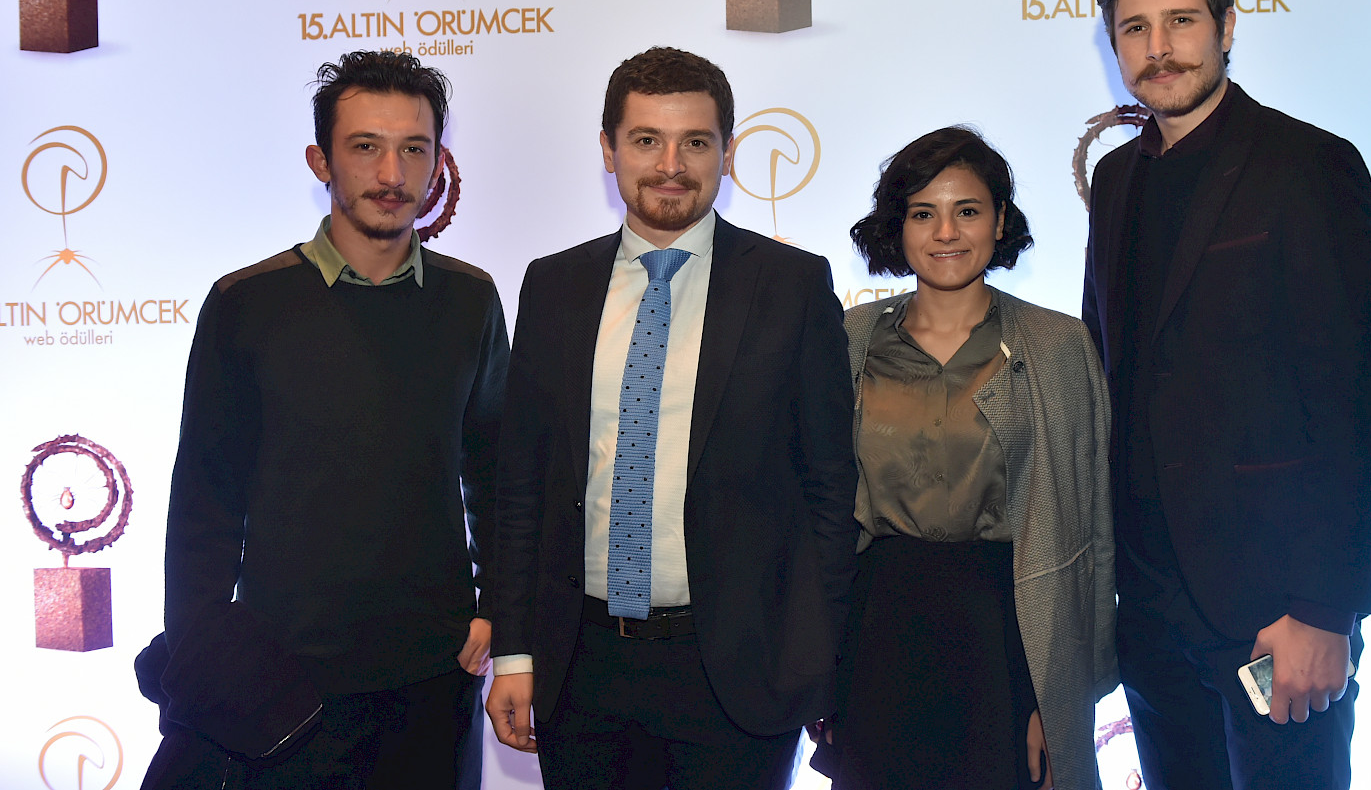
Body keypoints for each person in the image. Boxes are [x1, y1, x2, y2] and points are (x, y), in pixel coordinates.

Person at [1080, 0, 1371, 790]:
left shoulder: (1310, 164)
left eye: (1181, 21)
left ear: (1226, 26)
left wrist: (1326, 606)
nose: (1159, 48)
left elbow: (1359, 401)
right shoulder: (1115, 181)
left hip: (1276, 610)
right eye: (1135, 29)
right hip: (1150, 610)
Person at [486, 46, 857, 789]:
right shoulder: (553, 285)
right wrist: (515, 651)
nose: (671, 165)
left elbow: (829, 490)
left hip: (737, 673)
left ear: (728, 152)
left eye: (695, 142)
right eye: (646, 140)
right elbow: (521, 482)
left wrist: (813, 659)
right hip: (580, 666)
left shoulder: (791, 284)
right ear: (608, 150)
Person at [153, 50, 508, 788]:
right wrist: (201, 657)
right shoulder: (246, 303)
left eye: (414, 149)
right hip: (279, 687)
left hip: (433, 680)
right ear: (321, 160)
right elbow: (204, 503)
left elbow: (496, 474)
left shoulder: (470, 299)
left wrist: (497, 607)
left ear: (438, 162)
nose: (392, 174)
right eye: (366, 147)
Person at [826, 127, 1115, 790]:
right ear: (897, 226)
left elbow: (1091, 531)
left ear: (1000, 220)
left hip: (1009, 631)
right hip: (878, 630)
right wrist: (820, 673)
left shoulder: (1058, 344)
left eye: (967, 210)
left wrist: (1060, 696)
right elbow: (817, 516)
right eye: (922, 213)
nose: (946, 232)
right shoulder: (850, 339)